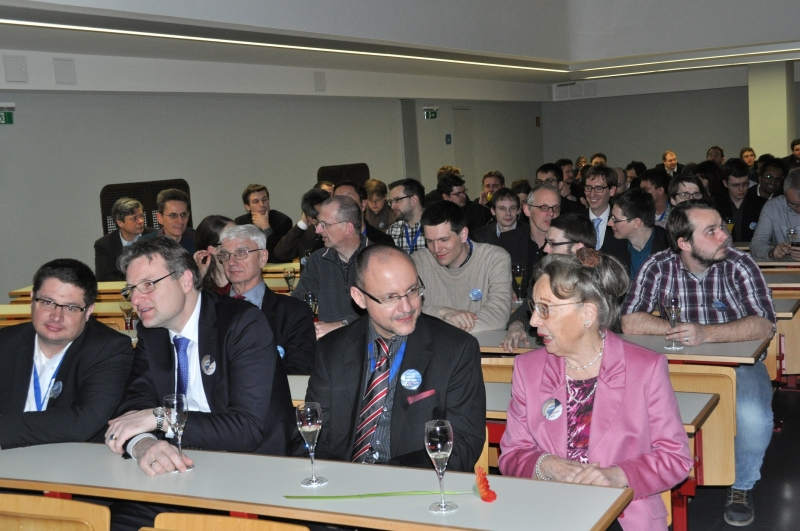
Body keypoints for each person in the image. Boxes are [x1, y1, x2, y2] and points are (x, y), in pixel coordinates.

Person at [499, 251, 692, 530]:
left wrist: (618, 476)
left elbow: (676, 458)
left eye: (545, 309)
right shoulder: (528, 369)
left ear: (587, 314)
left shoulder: (645, 369)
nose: (533, 321)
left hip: (623, 514)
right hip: (548, 512)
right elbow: (512, 455)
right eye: (534, 307)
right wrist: (546, 465)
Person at [621, 200, 776, 526]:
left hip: (738, 366)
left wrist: (706, 333)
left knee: (754, 418)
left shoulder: (740, 264)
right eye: (712, 231)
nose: (724, 235)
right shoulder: (657, 265)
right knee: (628, 410)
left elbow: (764, 324)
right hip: (676, 363)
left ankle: (742, 485)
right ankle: (647, 479)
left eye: (721, 226)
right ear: (685, 243)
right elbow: (630, 321)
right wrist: (678, 329)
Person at [305, 244, 485, 471]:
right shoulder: (332, 349)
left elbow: (463, 444)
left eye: (412, 290)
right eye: (390, 297)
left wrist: (388, 475)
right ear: (359, 298)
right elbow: (314, 434)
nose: (406, 307)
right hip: (343, 479)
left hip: (415, 481)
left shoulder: (456, 350)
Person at [0, 259, 133, 449]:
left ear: (88, 311)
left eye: (71, 308)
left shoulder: (109, 349)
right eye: (48, 302)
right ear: (32, 299)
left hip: (71, 458)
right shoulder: (5, 342)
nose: (56, 316)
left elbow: (83, 422)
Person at [219, 224, 315, 375]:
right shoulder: (210, 310)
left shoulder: (293, 313)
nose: (231, 262)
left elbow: (299, 371)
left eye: (241, 253)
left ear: (263, 258)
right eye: (225, 255)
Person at [500, 213, 595, 353]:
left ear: (578, 248)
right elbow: (525, 310)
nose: (545, 249)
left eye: (552, 244)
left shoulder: (600, 284)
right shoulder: (544, 277)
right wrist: (517, 325)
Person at [414, 200, 511, 333]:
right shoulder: (418, 262)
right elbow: (407, 311)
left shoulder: (495, 258)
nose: (436, 249)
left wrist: (443, 324)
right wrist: (443, 312)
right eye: (429, 241)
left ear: (463, 234)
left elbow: (498, 315)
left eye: (444, 240)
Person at [292, 196, 368, 338]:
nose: (318, 230)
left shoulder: (378, 258)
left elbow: (386, 309)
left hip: (368, 342)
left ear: (348, 228)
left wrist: (344, 324)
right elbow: (299, 304)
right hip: (328, 343)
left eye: (325, 224)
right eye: (318, 224)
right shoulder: (318, 259)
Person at [473, 187, 529, 295]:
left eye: (512, 208)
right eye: (502, 208)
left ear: (519, 210)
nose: (508, 213)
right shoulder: (480, 236)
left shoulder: (529, 234)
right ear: (493, 211)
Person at [604, 189, 669, 281]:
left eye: (615, 219)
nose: (609, 223)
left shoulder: (668, 245)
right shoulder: (611, 242)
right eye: (611, 217)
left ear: (636, 223)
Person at [94, 197, 156, 281]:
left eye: (141, 216)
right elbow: (104, 278)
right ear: (120, 222)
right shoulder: (104, 245)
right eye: (134, 218)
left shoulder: (155, 237)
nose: (141, 221)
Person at [233, 184, 293, 262]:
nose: (262, 205)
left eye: (264, 200)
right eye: (256, 201)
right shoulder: (240, 223)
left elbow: (279, 257)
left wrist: (266, 228)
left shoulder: (283, 221)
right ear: (247, 206)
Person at [751, 168, 800, 260]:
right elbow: (757, 243)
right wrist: (771, 252)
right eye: (794, 204)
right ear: (785, 195)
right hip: (782, 267)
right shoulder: (773, 207)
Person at [272, 187, 330, 262]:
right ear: (312, 220)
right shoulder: (306, 234)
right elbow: (281, 254)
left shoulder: (339, 228)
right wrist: (302, 224)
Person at [716, 158, 766, 243]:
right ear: (725, 183)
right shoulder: (715, 205)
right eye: (735, 185)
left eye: (745, 184)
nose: (741, 189)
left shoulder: (762, 205)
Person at [333, 181, 395, 246]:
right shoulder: (328, 240)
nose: (342, 204)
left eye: (349, 199)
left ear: (363, 204)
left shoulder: (383, 242)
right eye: (337, 200)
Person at [141, 188, 195, 254]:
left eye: (183, 214)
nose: (180, 221)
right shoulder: (145, 245)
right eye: (173, 215)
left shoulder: (201, 241)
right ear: (160, 218)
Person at [192, 215, 234, 295]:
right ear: (212, 249)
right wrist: (198, 277)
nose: (239, 242)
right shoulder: (203, 281)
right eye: (231, 239)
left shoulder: (245, 275)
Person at [386, 178, 426, 254]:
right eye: (391, 202)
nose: (392, 206)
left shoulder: (434, 227)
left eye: (397, 200)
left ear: (414, 200)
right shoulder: (392, 231)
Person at [583, 165, 617, 249]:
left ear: (612, 190)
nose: (592, 194)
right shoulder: (575, 221)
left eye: (599, 188)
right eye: (588, 188)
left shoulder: (621, 221)